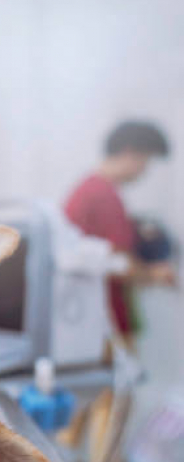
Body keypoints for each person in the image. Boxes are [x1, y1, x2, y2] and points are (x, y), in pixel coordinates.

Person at [65, 120, 176, 341]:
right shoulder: (103, 195)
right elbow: (118, 262)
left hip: (98, 318)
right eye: (146, 160)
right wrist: (154, 274)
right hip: (105, 322)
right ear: (130, 153)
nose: (145, 170)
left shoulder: (90, 188)